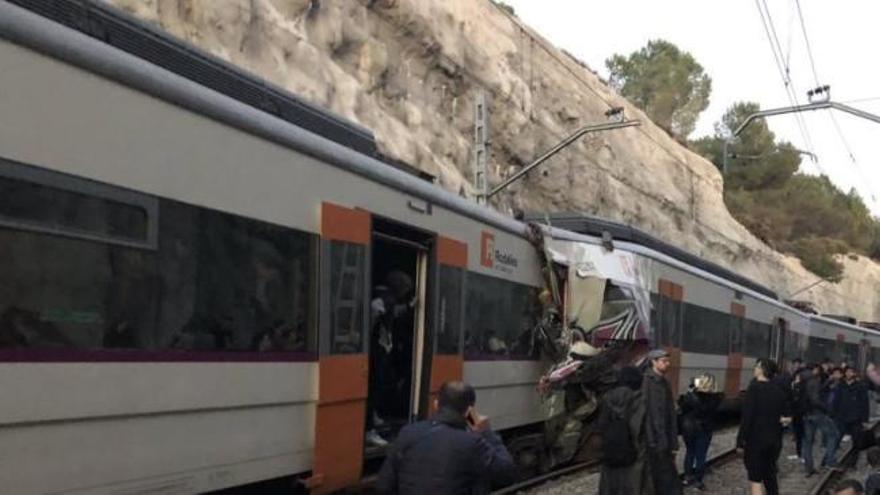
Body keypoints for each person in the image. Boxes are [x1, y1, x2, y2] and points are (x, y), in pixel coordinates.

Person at [376, 381, 516, 494]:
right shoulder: (472, 443)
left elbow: (384, 486)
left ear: (436, 404)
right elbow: (508, 474)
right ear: (469, 412)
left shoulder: (407, 432)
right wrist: (486, 432)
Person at [736, 358, 791, 495]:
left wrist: (740, 441)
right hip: (774, 442)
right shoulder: (779, 391)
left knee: (755, 478)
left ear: (762, 370)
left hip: (756, 441)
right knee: (770, 476)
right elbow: (787, 418)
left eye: (756, 366)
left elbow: (747, 418)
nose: (754, 369)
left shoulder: (753, 389)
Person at [598, 366, 650, 495]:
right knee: (634, 484)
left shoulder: (607, 398)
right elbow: (640, 428)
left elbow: (601, 425)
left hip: (611, 453)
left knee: (610, 485)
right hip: (634, 454)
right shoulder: (640, 400)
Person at [643, 348, 682, 495]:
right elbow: (647, 414)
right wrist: (652, 440)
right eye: (664, 361)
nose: (668, 364)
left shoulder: (663, 383)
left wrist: (673, 442)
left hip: (663, 440)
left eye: (668, 360)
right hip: (654, 441)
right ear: (654, 362)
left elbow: (669, 414)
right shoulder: (646, 383)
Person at [679, 373, 723, 490]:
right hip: (705, 429)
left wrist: (690, 390)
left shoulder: (691, 396)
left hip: (690, 429)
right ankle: (698, 480)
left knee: (690, 453)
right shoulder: (716, 398)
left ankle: (687, 477)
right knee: (701, 456)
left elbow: (682, 408)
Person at [803, 364, 842, 476]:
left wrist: (827, 383)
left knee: (808, 442)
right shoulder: (814, 381)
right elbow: (815, 399)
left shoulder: (803, 381)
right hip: (817, 413)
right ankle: (830, 461)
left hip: (806, 414)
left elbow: (816, 392)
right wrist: (826, 408)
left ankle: (808, 468)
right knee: (834, 434)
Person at [835, 367, 870, 467]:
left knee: (857, 442)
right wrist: (834, 415)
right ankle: (828, 460)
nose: (849, 374)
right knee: (836, 439)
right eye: (847, 372)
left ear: (854, 373)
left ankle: (852, 463)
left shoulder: (860, 386)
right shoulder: (840, 386)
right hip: (841, 417)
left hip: (856, 418)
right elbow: (836, 401)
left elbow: (865, 403)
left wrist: (864, 419)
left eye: (851, 372)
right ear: (845, 373)